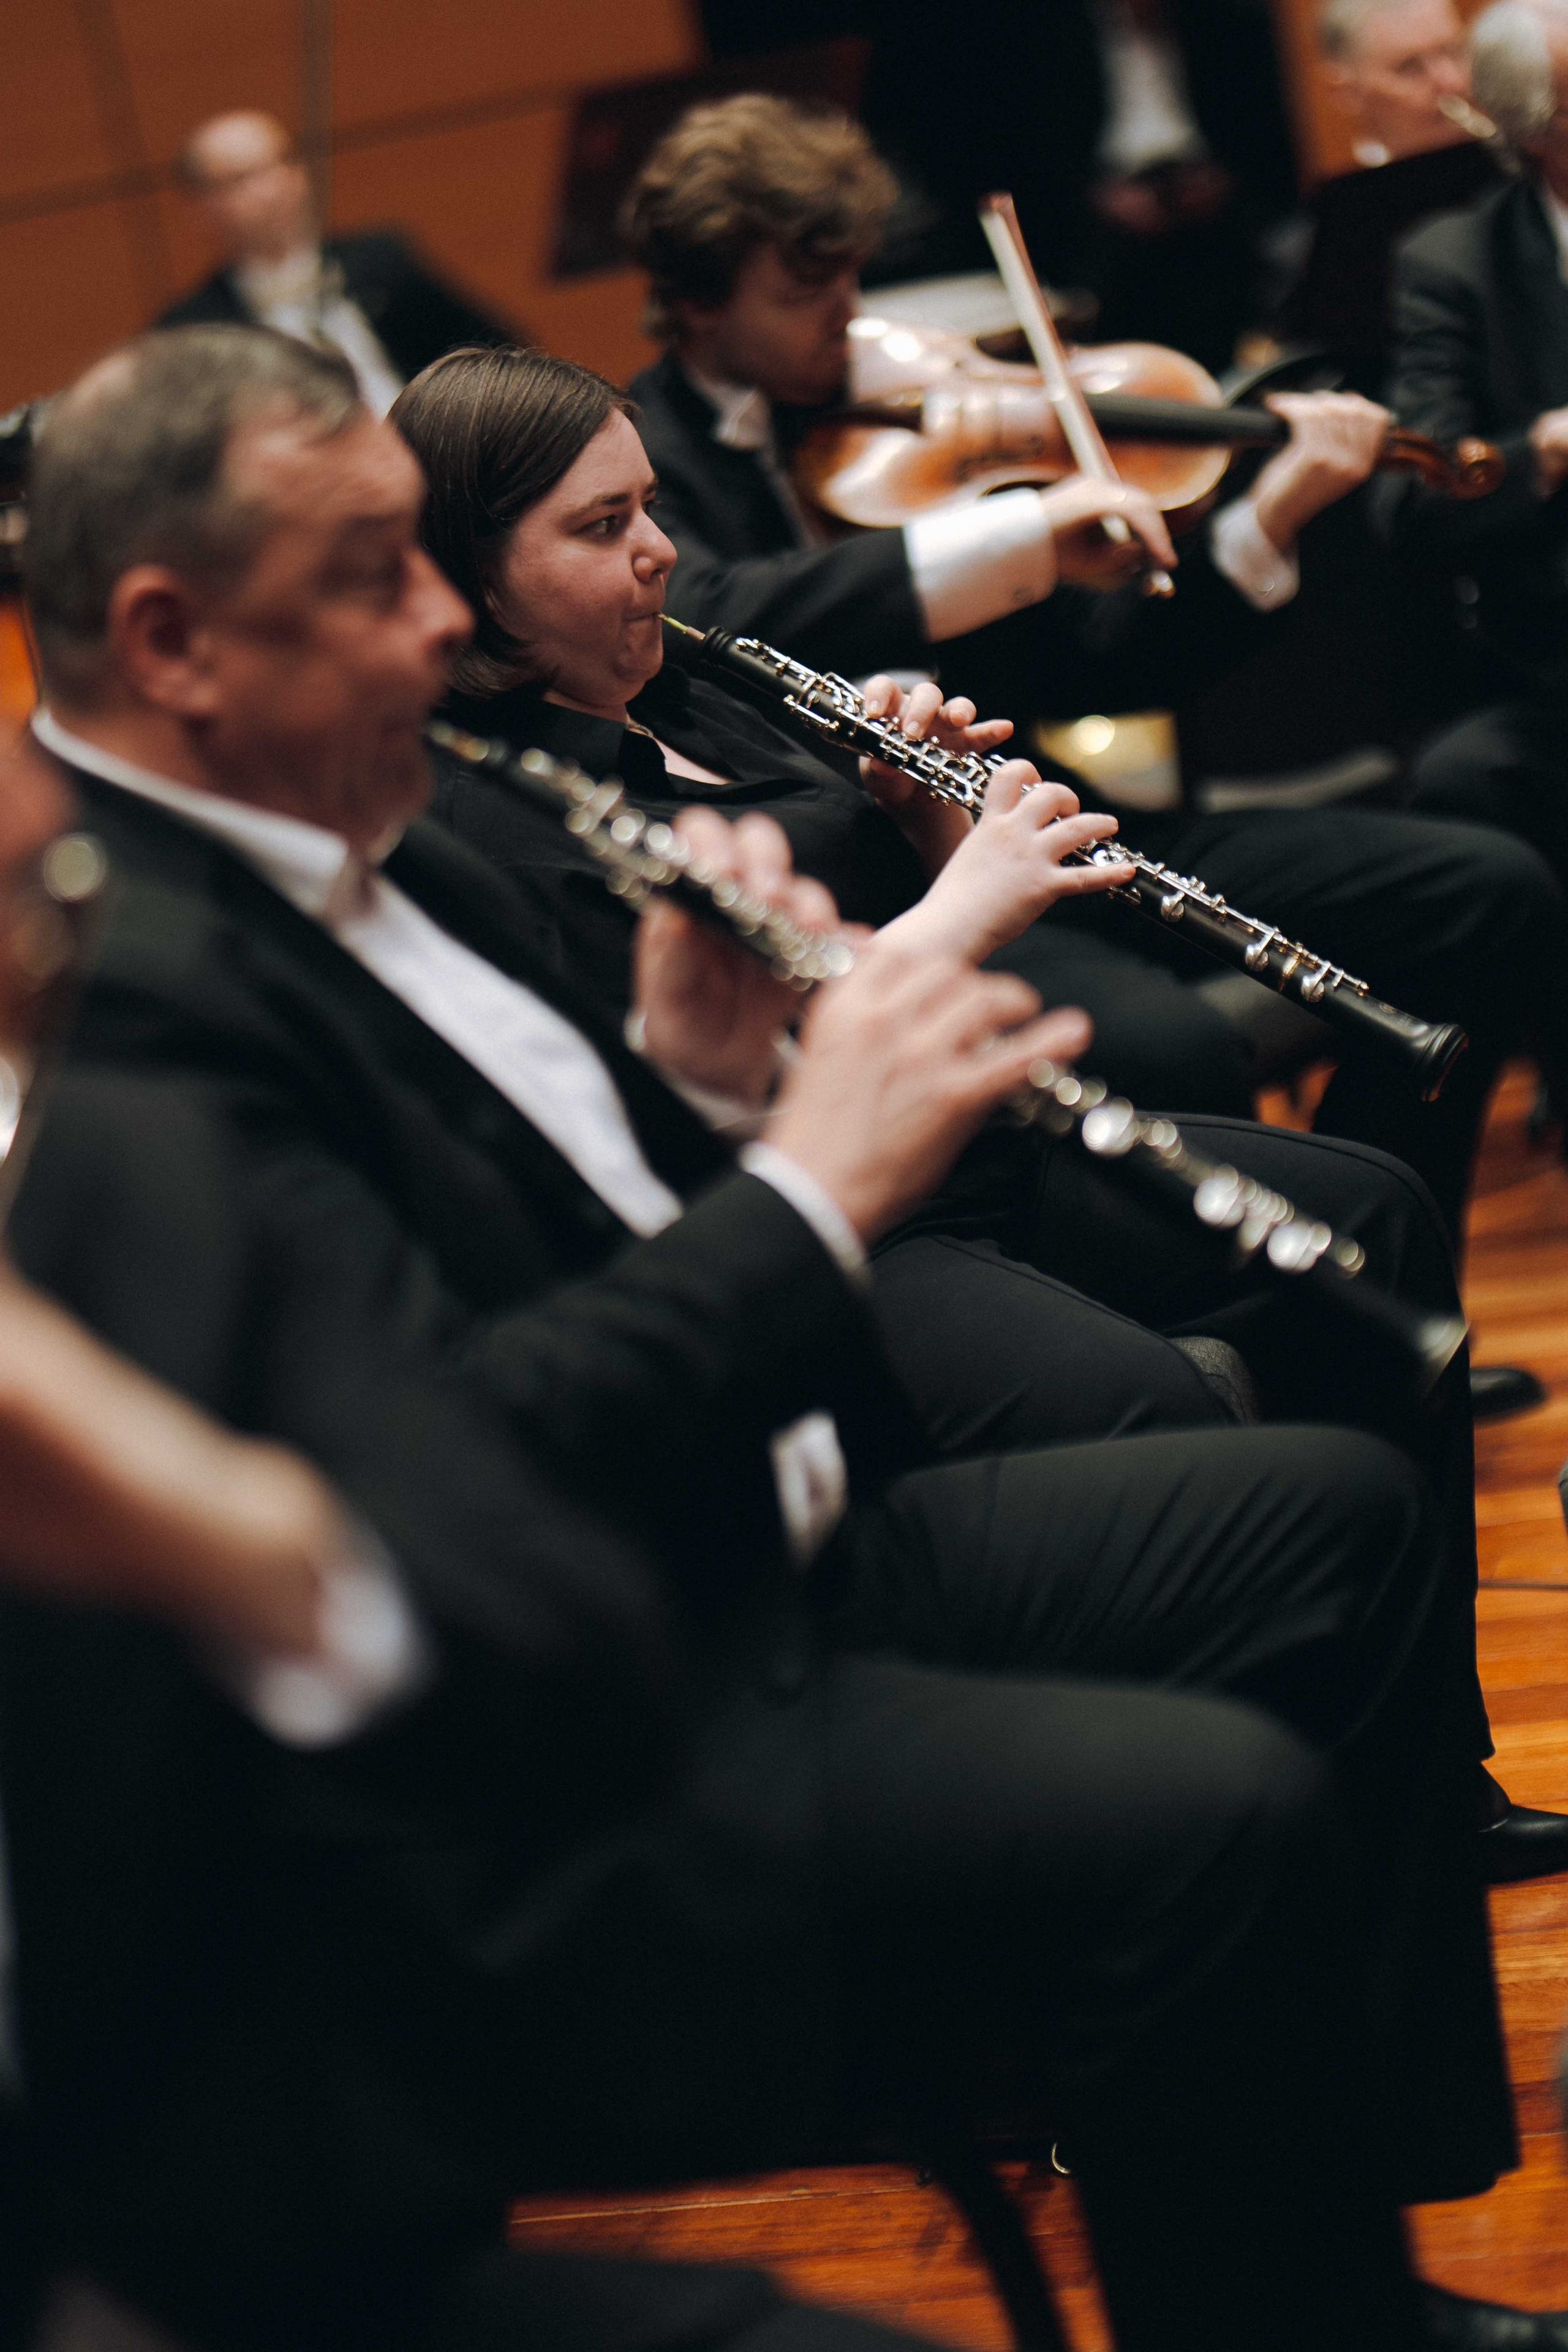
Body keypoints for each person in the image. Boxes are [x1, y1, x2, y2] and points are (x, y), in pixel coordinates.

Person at [7, 318, 1559, 2350]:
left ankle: (1350, 2255)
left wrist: (711, 1078)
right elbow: (463, 1473)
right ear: (172, 642)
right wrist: (812, 1174)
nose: (438, 626)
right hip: (604, 1718)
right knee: (1210, 1805)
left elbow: (573, 1206)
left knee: (1333, 1516)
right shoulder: (150, 1007)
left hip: (746, 1525)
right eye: (378, 579)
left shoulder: (375, 829)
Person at [1381, 0, 1568, 909]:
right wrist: (1547, 447)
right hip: (1553, 657)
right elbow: (1415, 502)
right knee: (1466, 776)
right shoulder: (1456, 262)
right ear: (1537, 132)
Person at [157, 110, 518, 415]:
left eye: (282, 163)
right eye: (243, 179)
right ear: (200, 209)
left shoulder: (381, 260)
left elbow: (497, 353)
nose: (272, 188)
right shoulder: (195, 329)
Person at [1280, 0, 1501, 393]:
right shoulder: (1326, 233)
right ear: (1346, 91)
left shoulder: (1524, 172)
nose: (1452, 82)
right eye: (1410, 68)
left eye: (1454, 52)